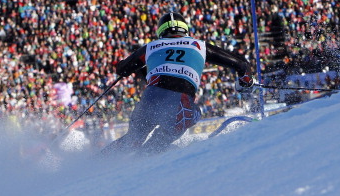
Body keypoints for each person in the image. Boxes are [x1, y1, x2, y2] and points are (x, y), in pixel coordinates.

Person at [103, 12, 255, 155]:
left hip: (150, 100)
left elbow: (121, 69)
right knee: (186, 121)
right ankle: (147, 156)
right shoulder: (199, 45)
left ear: (161, 31)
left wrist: (131, 67)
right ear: (185, 29)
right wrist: (246, 83)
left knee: (131, 140)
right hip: (179, 102)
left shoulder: (150, 47)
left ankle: (96, 162)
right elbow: (242, 64)